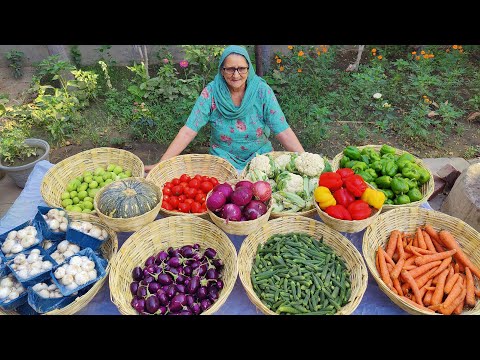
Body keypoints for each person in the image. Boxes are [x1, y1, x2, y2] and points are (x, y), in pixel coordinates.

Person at [144, 45, 305, 173]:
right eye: (230, 69)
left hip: (260, 158)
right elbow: (188, 130)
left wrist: (306, 159)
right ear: (222, 70)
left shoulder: (262, 91)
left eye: (241, 68)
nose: (236, 75)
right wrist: (161, 164)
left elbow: (283, 131)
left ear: (249, 69)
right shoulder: (212, 93)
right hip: (222, 161)